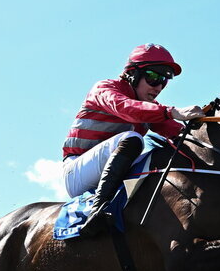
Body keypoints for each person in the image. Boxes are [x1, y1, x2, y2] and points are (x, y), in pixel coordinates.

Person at [62, 43, 206, 237]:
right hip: (77, 173)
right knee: (133, 139)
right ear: (132, 74)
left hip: (110, 171)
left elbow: (180, 135)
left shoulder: (151, 108)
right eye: (154, 77)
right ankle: (98, 211)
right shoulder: (105, 88)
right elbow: (128, 109)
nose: (159, 86)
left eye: (165, 80)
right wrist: (172, 112)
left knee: (161, 154)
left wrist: (204, 126)